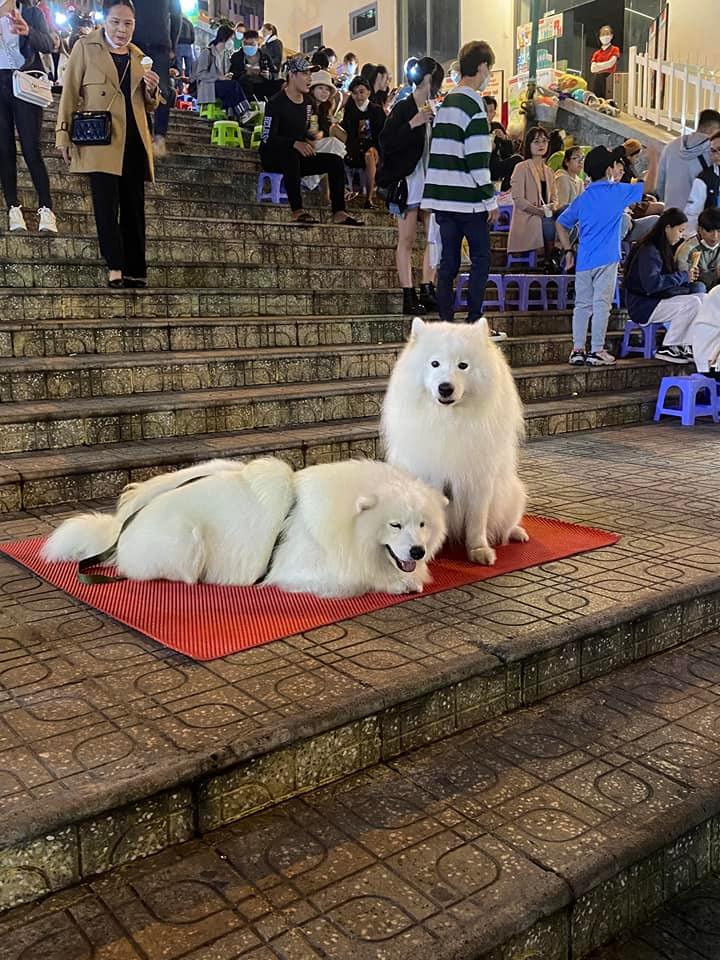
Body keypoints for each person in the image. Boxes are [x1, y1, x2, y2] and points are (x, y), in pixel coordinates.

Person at [56, 0, 161, 287]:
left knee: (133, 206)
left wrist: (152, 90)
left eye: (128, 23)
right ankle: (115, 265)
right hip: (100, 138)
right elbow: (70, 94)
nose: (121, 29)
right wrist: (63, 134)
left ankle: (136, 269)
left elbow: (147, 105)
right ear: (105, 19)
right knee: (105, 205)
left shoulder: (139, 57)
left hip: (134, 140)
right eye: (116, 21)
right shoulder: (85, 47)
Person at [421, 39, 498, 325]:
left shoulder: (447, 102)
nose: (488, 74)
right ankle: (474, 320)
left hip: (442, 198)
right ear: (481, 67)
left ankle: (445, 321)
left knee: (448, 263)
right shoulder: (474, 105)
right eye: (489, 68)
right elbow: (477, 159)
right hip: (469, 200)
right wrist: (490, 199)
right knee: (480, 260)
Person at [556, 145, 643, 366]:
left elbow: (560, 223)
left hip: (584, 260)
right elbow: (647, 187)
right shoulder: (617, 192)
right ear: (609, 170)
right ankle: (596, 350)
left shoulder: (583, 198)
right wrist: (653, 157)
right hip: (607, 260)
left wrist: (568, 250)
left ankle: (577, 350)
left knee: (582, 305)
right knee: (602, 304)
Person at [259, 55, 364, 227]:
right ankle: (297, 210)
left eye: (310, 74)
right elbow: (267, 138)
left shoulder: (308, 103)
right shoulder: (276, 103)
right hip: (274, 155)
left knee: (335, 161)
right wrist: (294, 143)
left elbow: (309, 130)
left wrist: (312, 137)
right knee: (291, 154)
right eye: (305, 74)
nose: (309, 79)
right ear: (292, 75)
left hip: (298, 155)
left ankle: (339, 211)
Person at [378, 56, 444, 315]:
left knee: (433, 237)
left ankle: (428, 287)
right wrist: (413, 123)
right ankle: (408, 293)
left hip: (430, 179)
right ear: (429, 79)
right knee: (406, 239)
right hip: (407, 180)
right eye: (436, 79)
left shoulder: (434, 108)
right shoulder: (404, 107)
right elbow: (386, 141)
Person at [0, 0, 56, 233]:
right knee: (4, 150)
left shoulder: (30, 11)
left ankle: (47, 208)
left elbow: (48, 44)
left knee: (32, 148)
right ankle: (13, 208)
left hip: (24, 82)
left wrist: (28, 31)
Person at [624, 208, 704, 363]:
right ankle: (669, 346)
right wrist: (683, 276)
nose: (681, 236)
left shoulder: (664, 249)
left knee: (703, 297)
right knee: (693, 303)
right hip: (643, 306)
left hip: (656, 301)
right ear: (668, 227)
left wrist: (687, 280)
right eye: (680, 231)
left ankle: (686, 345)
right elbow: (652, 285)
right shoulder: (649, 250)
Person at [132, 0, 180, 160]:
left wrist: (173, 44)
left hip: (160, 44)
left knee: (162, 90)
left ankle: (159, 136)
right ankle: (141, 133)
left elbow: (176, 16)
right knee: (134, 88)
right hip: (133, 43)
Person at [508, 126, 559, 265]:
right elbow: (518, 199)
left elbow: (555, 197)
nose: (541, 145)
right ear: (528, 144)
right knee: (549, 223)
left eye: (544, 141)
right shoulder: (521, 167)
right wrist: (539, 211)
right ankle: (550, 258)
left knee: (562, 218)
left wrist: (552, 206)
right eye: (536, 142)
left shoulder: (549, 171)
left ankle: (555, 257)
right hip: (528, 216)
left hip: (546, 214)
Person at [656, 108, 720, 211]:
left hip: (672, 217)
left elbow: (659, 186)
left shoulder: (670, 147)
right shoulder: (713, 151)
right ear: (715, 129)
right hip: (702, 220)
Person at [341, 75, 384, 208]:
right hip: (354, 148)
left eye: (361, 92)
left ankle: (369, 197)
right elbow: (346, 130)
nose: (358, 96)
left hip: (372, 149)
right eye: (354, 93)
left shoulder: (376, 110)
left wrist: (377, 149)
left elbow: (382, 134)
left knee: (369, 155)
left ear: (368, 92)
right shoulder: (350, 110)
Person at [229, 28, 281, 102]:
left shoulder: (265, 56)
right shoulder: (236, 57)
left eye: (251, 44)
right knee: (243, 83)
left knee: (280, 83)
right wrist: (246, 73)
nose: (248, 46)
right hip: (245, 86)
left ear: (257, 43)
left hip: (262, 84)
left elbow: (274, 72)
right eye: (245, 44)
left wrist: (269, 75)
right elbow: (232, 75)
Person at [676, 207, 720, 293]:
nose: (715, 236)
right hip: (695, 288)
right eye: (710, 231)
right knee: (699, 287)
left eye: (719, 231)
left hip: (716, 286)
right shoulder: (688, 249)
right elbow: (684, 278)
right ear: (700, 229)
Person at [685, 131, 720, 235]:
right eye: (713, 151)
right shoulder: (704, 180)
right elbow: (692, 215)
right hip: (711, 239)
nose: (717, 154)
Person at [195, 25, 233, 108]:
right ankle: (243, 111)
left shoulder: (226, 55)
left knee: (234, 85)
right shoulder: (207, 52)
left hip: (221, 85)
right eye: (231, 39)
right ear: (224, 38)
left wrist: (226, 76)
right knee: (233, 86)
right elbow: (200, 74)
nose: (231, 42)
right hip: (210, 86)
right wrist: (219, 77)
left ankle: (238, 112)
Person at [590, 24, 620, 99]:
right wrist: (603, 65)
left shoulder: (615, 49)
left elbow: (610, 64)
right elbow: (592, 69)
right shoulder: (596, 53)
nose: (605, 36)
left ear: (612, 35)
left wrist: (598, 65)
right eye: (602, 34)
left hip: (609, 77)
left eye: (607, 33)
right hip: (597, 79)